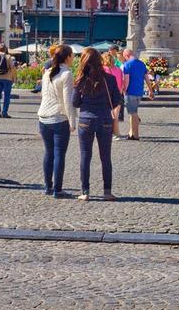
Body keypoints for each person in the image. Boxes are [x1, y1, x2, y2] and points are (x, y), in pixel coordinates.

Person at [72, 47, 123, 201]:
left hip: (86, 120)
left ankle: (85, 191)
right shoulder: (109, 79)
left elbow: (75, 102)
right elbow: (116, 101)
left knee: (85, 156)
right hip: (105, 120)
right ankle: (107, 191)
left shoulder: (81, 79)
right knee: (105, 157)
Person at [37, 45, 76, 198]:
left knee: (49, 153)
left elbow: (44, 95)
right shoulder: (66, 74)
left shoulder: (47, 73)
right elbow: (67, 100)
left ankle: (48, 186)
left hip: (43, 117)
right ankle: (58, 190)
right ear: (67, 57)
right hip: (59, 118)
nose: (73, 58)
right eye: (72, 55)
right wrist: (72, 121)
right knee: (59, 154)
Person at [121, 48, 148, 140]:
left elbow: (126, 80)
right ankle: (131, 133)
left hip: (130, 92)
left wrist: (124, 90)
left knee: (133, 113)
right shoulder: (141, 64)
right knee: (132, 112)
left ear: (126, 56)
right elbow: (146, 78)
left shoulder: (127, 64)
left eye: (124, 57)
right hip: (139, 92)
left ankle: (136, 135)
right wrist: (151, 91)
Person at [102, 53, 125, 140]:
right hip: (118, 94)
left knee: (109, 115)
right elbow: (121, 83)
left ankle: (112, 133)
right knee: (115, 115)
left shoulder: (103, 69)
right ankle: (116, 133)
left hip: (107, 95)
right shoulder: (119, 70)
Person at [0, 44, 16, 119]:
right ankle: (4, 113)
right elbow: (12, 67)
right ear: (5, 49)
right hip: (7, 78)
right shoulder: (8, 57)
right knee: (6, 96)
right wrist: (14, 78)